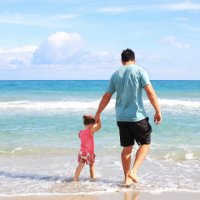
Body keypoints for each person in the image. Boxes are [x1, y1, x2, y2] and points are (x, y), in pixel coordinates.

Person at [95, 48, 162, 185]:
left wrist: (98, 113)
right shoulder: (139, 71)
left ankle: (126, 179)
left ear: (122, 61)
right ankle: (134, 171)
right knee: (145, 143)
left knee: (127, 148)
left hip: (121, 118)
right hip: (137, 117)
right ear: (134, 59)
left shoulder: (115, 75)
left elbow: (107, 96)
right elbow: (150, 92)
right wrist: (157, 110)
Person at [74, 115, 101, 181]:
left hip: (82, 152)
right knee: (91, 165)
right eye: (93, 124)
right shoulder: (90, 131)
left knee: (80, 165)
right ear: (91, 124)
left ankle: (75, 178)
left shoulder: (80, 132)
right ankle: (93, 178)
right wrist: (98, 117)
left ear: (84, 124)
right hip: (89, 152)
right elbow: (99, 127)